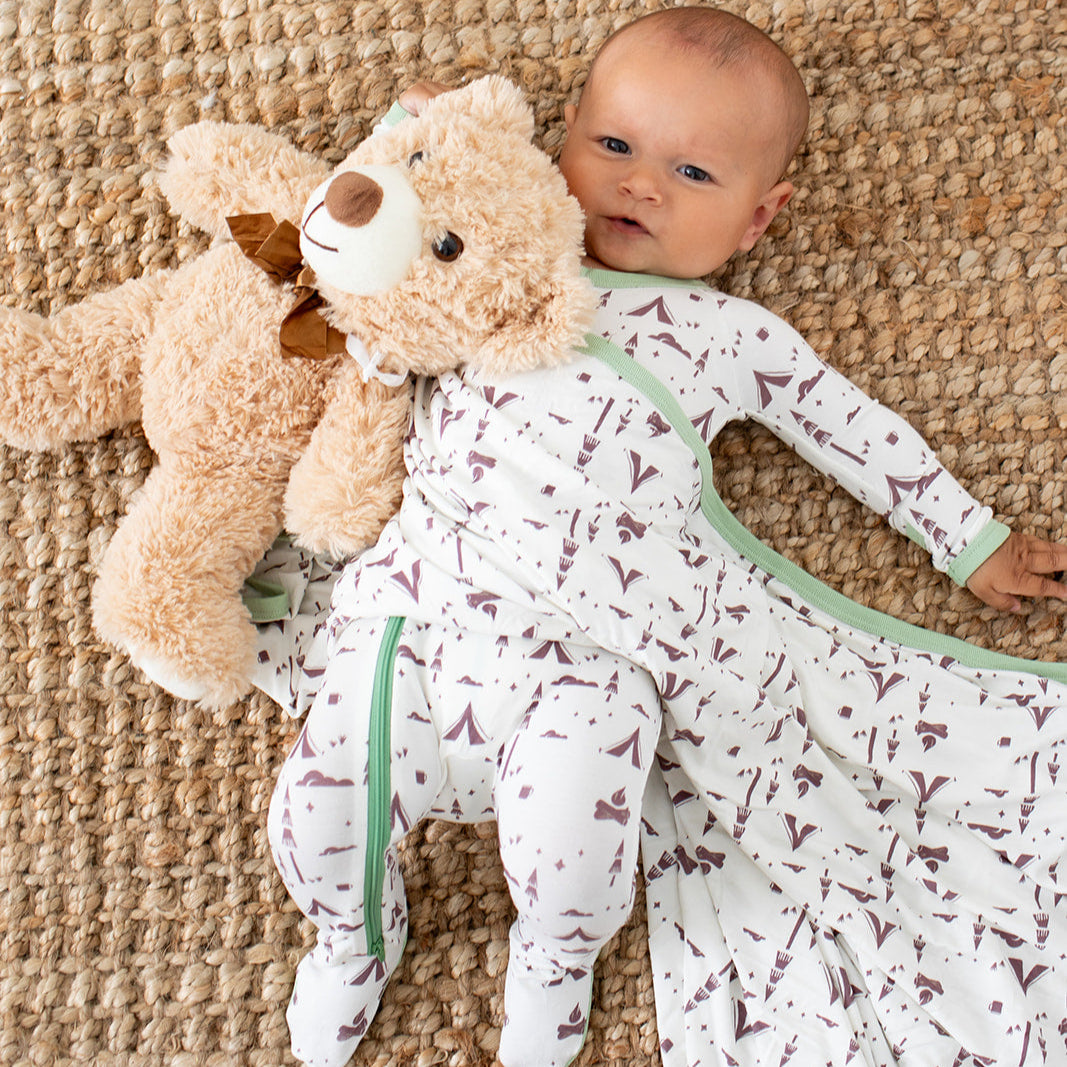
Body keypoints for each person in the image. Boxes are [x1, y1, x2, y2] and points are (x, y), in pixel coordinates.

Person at [260, 8, 1067, 1067]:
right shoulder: (482, 264)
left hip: (587, 666)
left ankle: (555, 957)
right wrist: (416, 131)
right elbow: (366, 227)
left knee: (575, 849)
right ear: (559, 141)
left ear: (757, 218)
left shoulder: (729, 337)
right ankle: (351, 936)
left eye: (691, 173)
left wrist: (969, 539)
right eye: (613, 146)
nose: (640, 185)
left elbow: (852, 432)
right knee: (317, 810)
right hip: (417, 627)